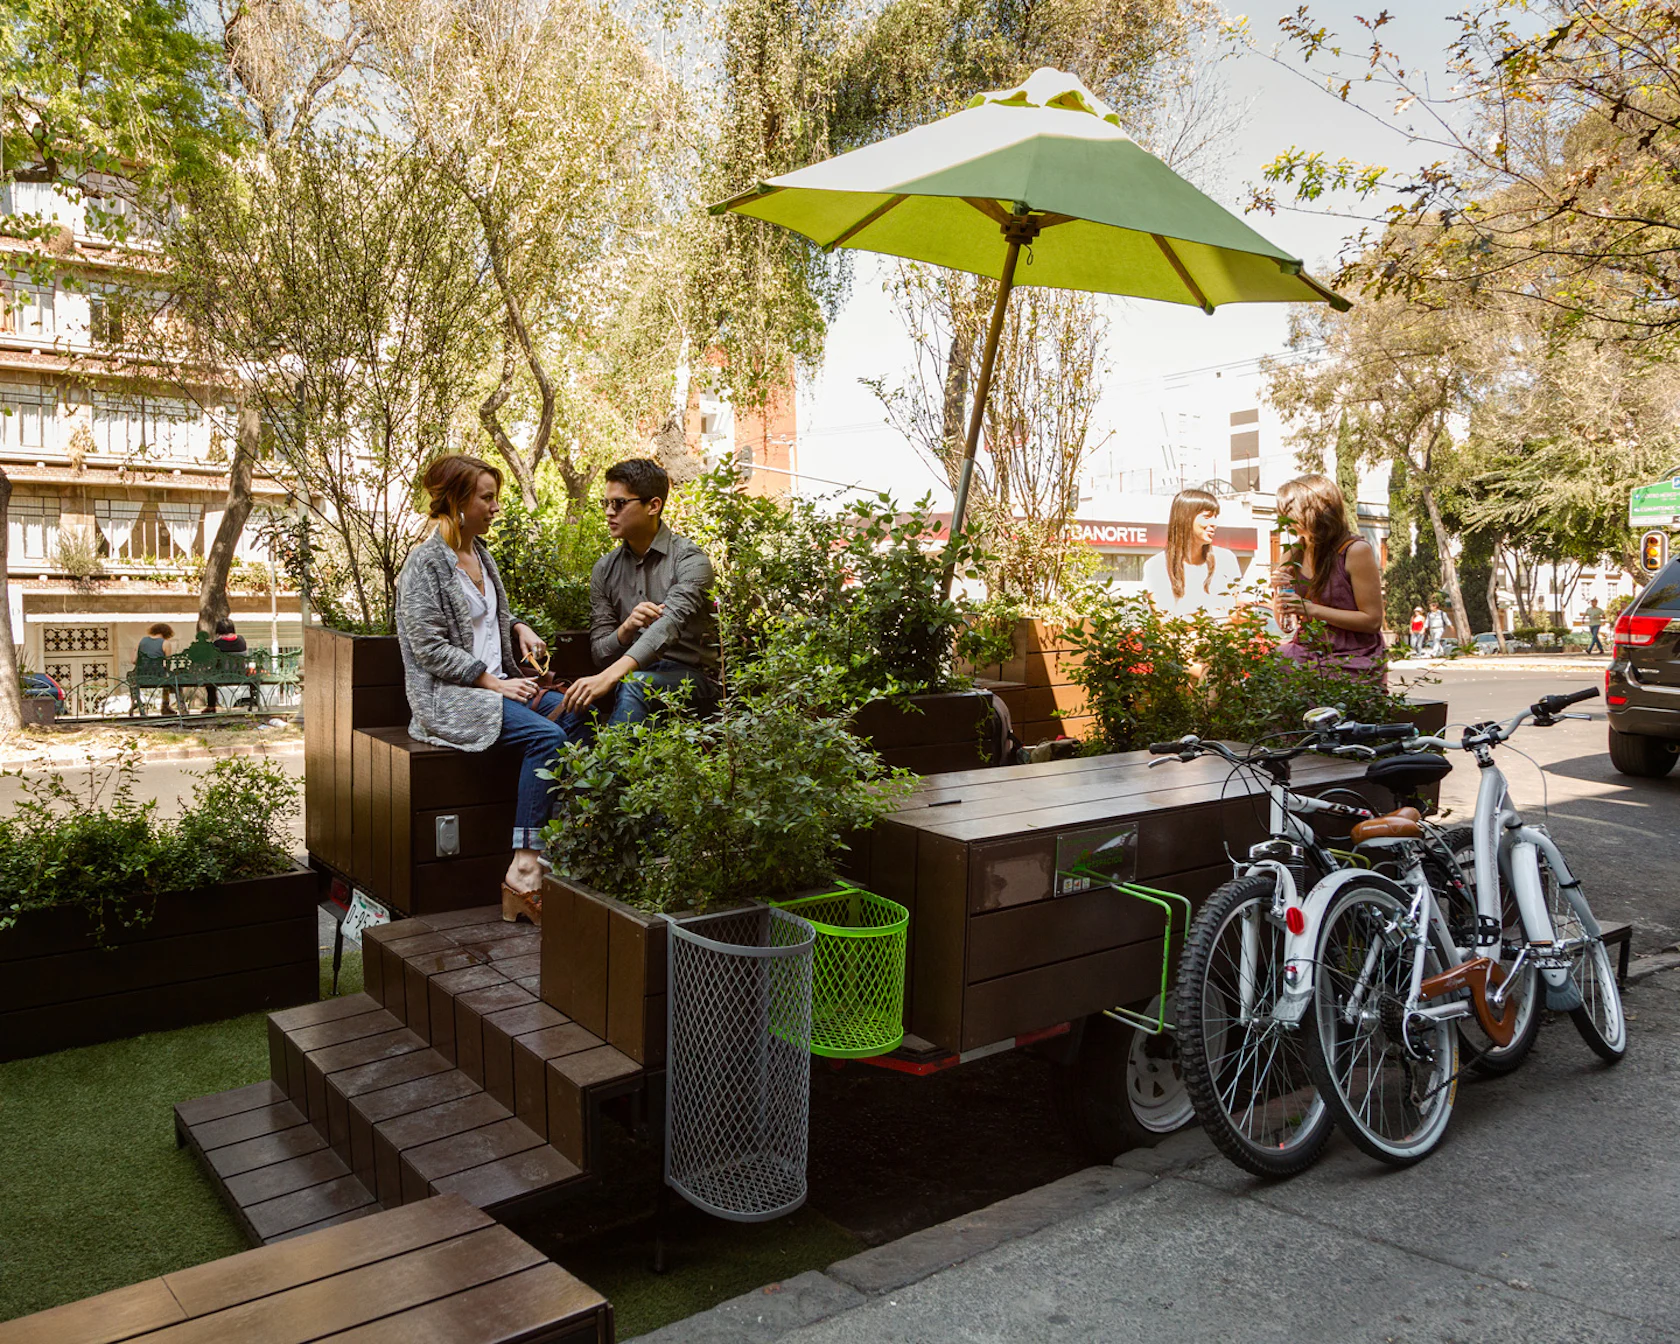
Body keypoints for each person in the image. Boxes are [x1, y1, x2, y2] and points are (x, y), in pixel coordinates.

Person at [395, 454, 587, 926]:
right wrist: (492, 681)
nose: (495, 507)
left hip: (497, 687)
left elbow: (484, 616)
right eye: (487, 497)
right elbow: (428, 648)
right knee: (548, 739)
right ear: (458, 502)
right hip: (449, 698)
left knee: (579, 711)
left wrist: (518, 626)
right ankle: (524, 871)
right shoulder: (424, 564)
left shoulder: (480, 554)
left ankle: (557, 845)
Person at [566, 457, 721, 726]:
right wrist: (625, 630)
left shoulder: (690, 560)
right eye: (606, 503)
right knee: (572, 705)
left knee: (635, 685)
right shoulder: (604, 570)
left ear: (653, 505)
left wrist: (609, 677)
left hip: (693, 683)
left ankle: (608, 767)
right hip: (632, 680)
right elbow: (600, 653)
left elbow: (668, 625)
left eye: (619, 503)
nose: (609, 512)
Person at [1271, 474, 1388, 681]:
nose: (1282, 518)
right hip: (1307, 651)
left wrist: (1309, 608)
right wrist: (1279, 594)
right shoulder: (1293, 553)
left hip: (1354, 657)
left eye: (1288, 510)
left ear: (1315, 509)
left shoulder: (1354, 551)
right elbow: (1285, 624)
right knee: (1263, 672)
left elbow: (1372, 621)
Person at [1141, 488, 1246, 618]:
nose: (1214, 524)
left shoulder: (1227, 559)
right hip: (1181, 639)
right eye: (1207, 517)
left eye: (1215, 517)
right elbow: (1164, 623)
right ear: (1186, 518)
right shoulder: (1156, 566)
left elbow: (1241, 611)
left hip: (1227, 638)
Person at [204, 617, 248, 712]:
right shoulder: (241, 640)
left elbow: (213, 661)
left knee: (208, 679)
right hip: (240, 674)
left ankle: (211, 706)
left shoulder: (217, 643)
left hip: (222, 675)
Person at [135, 622, 176, 716]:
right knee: (172, 679)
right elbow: (168, 662)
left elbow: (133, 660)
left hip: (141, 674)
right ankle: (166, 705)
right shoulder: (166, 643)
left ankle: (138, 704)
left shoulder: (141, 641)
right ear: (167, 633)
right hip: (158, 675)